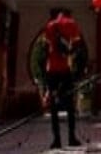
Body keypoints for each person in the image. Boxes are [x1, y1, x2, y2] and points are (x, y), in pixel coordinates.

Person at [35, 8, 86, 149]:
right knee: (70, 106)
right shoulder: (71, 23)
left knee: (54, 108)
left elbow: (45, 48)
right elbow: (77, 44)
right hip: (65, 70)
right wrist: (70, 53)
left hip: (51, 70)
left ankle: (56, 140)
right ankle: (71, 137)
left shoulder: (50, 26)